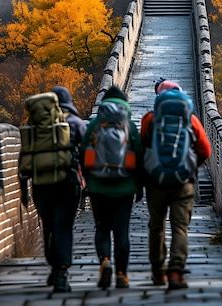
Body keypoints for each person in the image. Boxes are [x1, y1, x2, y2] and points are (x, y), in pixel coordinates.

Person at [141, 80, 211, 290]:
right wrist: (189, 167)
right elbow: (205, 150)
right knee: (180, 227)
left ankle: (157, 272)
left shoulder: (150, 119)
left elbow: (141, 146)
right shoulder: (191, 119)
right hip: (184, 182)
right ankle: (175, 271)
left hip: (156, 182)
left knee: (156, 225)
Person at [19, 86, 86, 293]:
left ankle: (53, 267)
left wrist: (23, 190)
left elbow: (24, 157)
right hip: (68, 184)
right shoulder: (75, 123)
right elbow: (86, 154)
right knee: (63, 227)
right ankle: (61, 273)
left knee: (48, 227)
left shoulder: (36, 125)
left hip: (41, 185)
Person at [81, 85, 143, 289]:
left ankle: (105, 260)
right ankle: (122, 275)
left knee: (102, 228)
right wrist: (139, 186)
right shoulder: (129, 126)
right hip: (125, 188)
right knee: (121, 231)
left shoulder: (95, 124)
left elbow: (83, 154)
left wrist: (88, 181)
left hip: (98, 188)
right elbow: (140, 157)